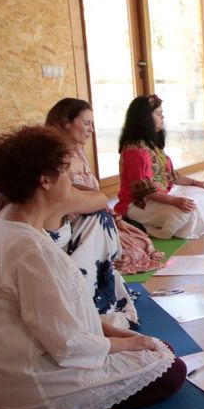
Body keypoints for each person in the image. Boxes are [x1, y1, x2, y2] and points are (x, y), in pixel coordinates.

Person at [0, 126, 185, 409]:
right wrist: (133, 346)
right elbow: (68, 346)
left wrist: (125, 335)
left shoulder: (7, 225)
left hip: (4, 379)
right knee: (170, 369)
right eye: (67, 173)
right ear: (45, 180)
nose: (73, 180)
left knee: (158, 349)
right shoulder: (28, 249)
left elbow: (58, 314)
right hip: (29, 387)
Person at [44, 98, 146, 328]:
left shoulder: (78, 152)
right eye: (87, 123)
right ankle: (84, 295)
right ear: (66, 123)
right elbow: (81, 200)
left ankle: (101, 272)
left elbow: (94, 196)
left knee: (136, 242)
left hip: (89, 216)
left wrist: (116, 220)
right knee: (104, 224)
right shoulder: (53, 159)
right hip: (67, 226)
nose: (92, 129)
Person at [114, 94, 204, 238]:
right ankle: (151, 229)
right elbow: (145, 192)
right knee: (188, 212)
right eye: (159, 114)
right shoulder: (135, 150)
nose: (163, 118)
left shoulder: (152, 144)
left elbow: (170, 176)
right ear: (144, 118)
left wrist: (195, 183)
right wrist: (175, 201)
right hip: (138, 203)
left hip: (163, 195)